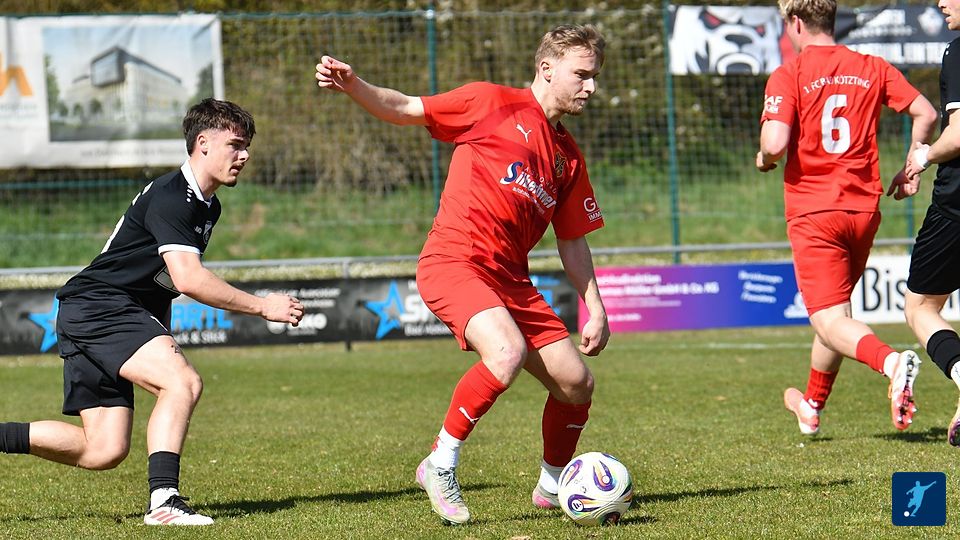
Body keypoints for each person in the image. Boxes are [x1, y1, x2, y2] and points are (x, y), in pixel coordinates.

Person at [316, 24, 610, 525]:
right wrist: (354, 85)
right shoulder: (490, 101)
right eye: (582, 74)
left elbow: (572, 239)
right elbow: (405, 107)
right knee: (506, 353)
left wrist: (596, 307)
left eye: (595, 76)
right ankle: (440, 463)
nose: (591, 86)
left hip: (512, 280)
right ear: (546, 69)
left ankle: (552, 484)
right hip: (456, 261)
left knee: (576, 382)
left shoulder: (568, 156)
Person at [0, 98, 304, 526]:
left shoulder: (207, 205)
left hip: (95, 310)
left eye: (247, 147)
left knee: (103, 450)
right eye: (235, 145)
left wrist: (161, 333)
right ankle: (165, 501)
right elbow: (188, 279)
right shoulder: (173, 197)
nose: (244, 155)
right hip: (101, 307)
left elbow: (161, 282)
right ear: (203, 143)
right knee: (183, 382)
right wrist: (263, 306)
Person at [756, 0, 938, 435]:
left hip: (815, 210)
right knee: (837, 315)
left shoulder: (789, 73)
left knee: (828, 319)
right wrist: (911, 168)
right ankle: (811, 405)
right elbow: (926, 112)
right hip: (862, 210)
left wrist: (763, 157)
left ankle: (892, 363)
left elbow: (775, 143)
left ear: (795, 22)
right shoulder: (871, 67)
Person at [902, 0, 960, 448]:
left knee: (920, 307)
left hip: (956, 206)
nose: (940, 2)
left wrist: (923, 156)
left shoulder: (958, 51)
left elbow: (958, 135)